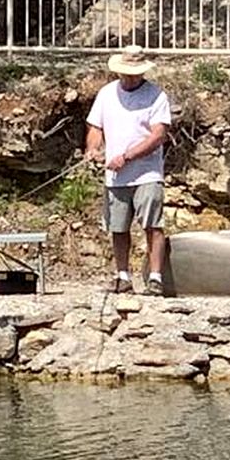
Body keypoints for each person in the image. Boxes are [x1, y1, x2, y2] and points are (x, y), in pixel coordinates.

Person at [84, 45, 172, 296]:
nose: (131, 78)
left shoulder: (156, 96)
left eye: (135, 73)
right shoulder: (106, 94)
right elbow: (95, 127)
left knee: (152, 224)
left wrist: (127, 156)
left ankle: (155, 278)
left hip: (147, 173)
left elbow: (158, 135)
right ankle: (122, 276)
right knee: (118, 226)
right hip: (116, 177)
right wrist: (94, 148)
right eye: (127, 73)